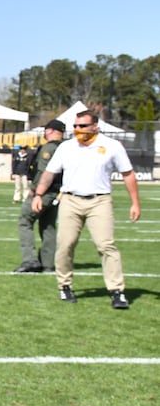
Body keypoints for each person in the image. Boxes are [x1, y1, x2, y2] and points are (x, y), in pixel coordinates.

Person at [30, 109, 141, 308]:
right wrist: (38, 194)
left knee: (106, 245)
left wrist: (135, 203)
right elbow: (49, 172)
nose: (77, 130)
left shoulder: (111, 146)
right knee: (65, 245)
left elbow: (128, 173)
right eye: (75, 126)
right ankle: (64, 286)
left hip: (100, 201)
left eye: (82, 126)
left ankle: (117, 291)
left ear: (95, 126)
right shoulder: (66, 147)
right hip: (70, 200)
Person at [13, 119, 65, 274]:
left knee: (25, 220)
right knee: (48, 226)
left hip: (44, 192)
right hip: (57, 191)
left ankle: (30, 260)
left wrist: (36, 190)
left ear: (51, 130)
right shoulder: (66, 147)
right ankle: (48, 264)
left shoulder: (48, 148)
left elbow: (44, 171)